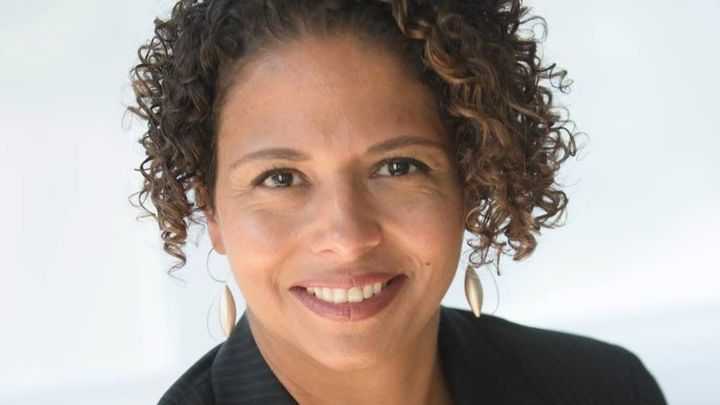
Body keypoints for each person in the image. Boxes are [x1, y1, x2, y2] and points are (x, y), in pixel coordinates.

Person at [127, 0, 667, 403]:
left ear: (473, 177)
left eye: (397, 167)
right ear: (212, 211)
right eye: (281, 178)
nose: (346, 236)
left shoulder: (607, 388)